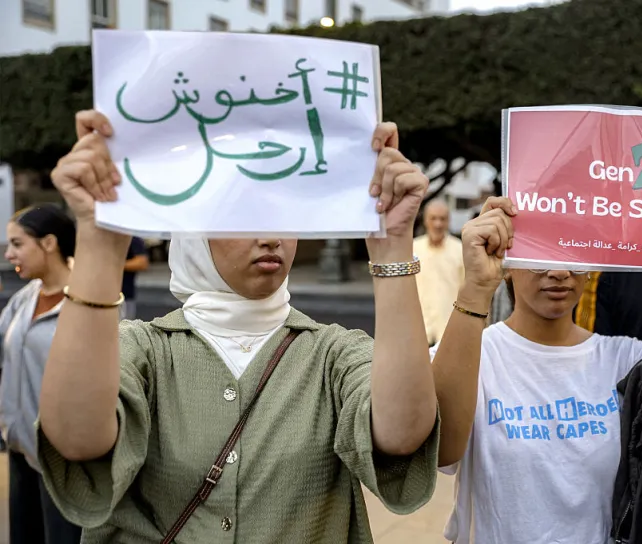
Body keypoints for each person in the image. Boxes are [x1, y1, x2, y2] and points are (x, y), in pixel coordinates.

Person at [37, 111, 440, 543]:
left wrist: (393, 247)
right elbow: (76, 440)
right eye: (241, 215)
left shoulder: (333, 354)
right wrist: (98, 243)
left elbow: (402, 434)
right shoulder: (142, 351)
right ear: (192, 230)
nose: (270, 237)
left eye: (284, 214)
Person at [431, 196, 642, 543]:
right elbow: (439, 450)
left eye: (574, 253)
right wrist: (475, 290)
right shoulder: (471, 357)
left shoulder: (628, 362)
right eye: (540, 253)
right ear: (509, 258)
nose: (559, 272)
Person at [1, 204, 82, 544]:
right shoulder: (25, 297)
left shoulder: (88, 303)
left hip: (64, 461)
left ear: (49, 243)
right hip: (21, 449)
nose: (9, 255)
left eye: (18, 244)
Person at [413, 199, 465, 346]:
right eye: (433, 218)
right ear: (425, 220)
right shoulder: (413, 249)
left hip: (450, 331)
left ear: (448, 221)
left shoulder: (461, 250)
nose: (438, 224)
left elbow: (466, 290)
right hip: (418, 330)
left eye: (442, 219)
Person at [120, 236, 149, 320]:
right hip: (101, 294)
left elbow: (142, 262)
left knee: (123, 326)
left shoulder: (132, 238)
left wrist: (114, 265)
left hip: (124, 295)